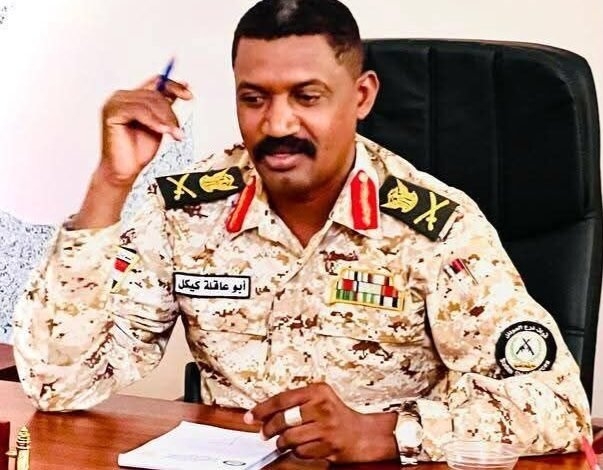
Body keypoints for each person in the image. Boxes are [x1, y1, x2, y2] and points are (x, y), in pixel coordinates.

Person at [13, 0, 592, 465]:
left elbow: (558, 407)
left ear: (361, 96)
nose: (278, 124)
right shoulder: (187, 213)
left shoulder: (436, 229)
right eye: (254, 99)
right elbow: (60, 384)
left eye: (306, 97)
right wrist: (111, 183)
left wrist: (384, 433)